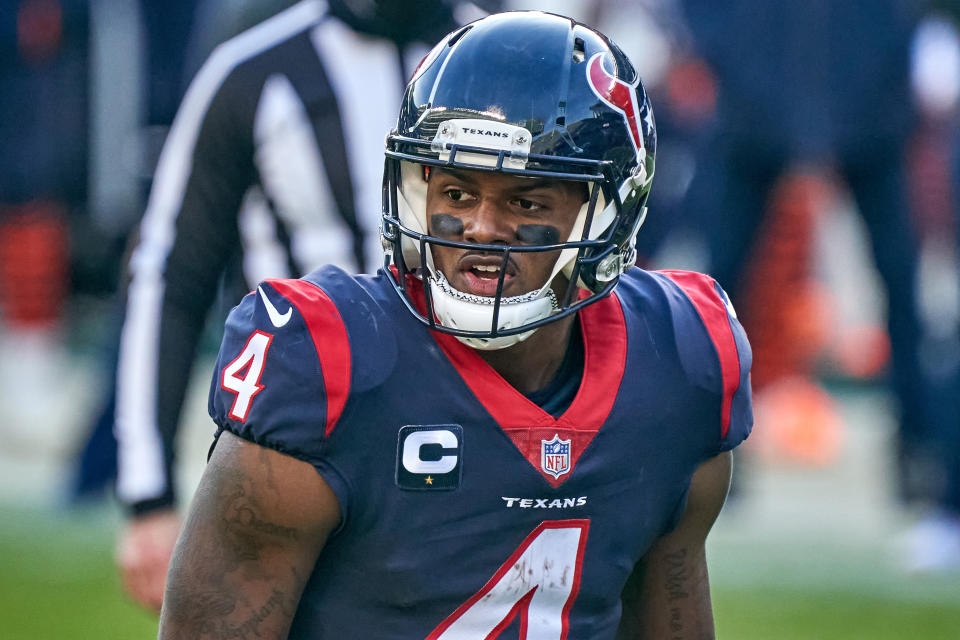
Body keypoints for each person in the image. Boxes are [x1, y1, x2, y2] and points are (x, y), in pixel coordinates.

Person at [160, 11, 753, 638]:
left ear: (606, 212)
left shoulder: (679, 360)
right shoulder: (326, 363)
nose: (482, 228)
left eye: (526, 200)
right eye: (457, 194)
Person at [111, 0, 467, 611]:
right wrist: (147, 492)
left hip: (471, 422)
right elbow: (171, 274)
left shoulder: (499, 56)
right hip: (300, 437)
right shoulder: (252, 69)